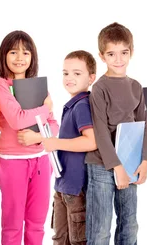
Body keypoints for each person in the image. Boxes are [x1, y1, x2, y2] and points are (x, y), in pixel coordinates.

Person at [84, 22, 147, 245]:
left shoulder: (136, 87)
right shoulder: (100, 88)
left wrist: (145, 160)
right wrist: (117, 167)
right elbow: (101, 131)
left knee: (129, 224)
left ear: (132, 52)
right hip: (103, 164)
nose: (118, 59)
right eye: (111, 54)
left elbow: (143, 124)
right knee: (101, 228)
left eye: (124, 53)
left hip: (130, 161)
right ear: (102, 56)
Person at [0, 30, 59, 245]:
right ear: (4, 55)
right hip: (12, 164)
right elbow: (17, 120)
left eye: (26, 53)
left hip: (41, 160)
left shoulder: (39, 87)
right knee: (12, 224)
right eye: (13, 52)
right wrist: (44, 108)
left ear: (33, 58)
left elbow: (54, 125)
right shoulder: (0, 85)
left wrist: (38, 137)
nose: (20, 58)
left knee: (36, 224)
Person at [42, 50, 99, 245]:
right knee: (60, 238)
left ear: (91, 78)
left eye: (77, 73)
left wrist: (56, 143)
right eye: (65, 73)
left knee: (77, 240)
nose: (69, 78)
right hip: (63, 186)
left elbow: (91, 141)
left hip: (76, 189)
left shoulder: (82, 105)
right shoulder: (72, 105)